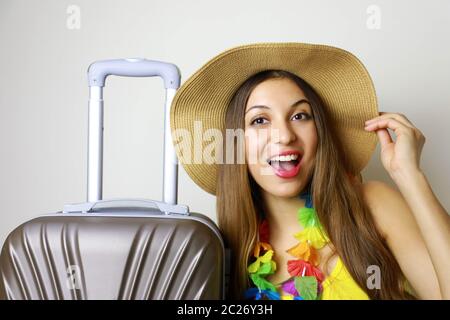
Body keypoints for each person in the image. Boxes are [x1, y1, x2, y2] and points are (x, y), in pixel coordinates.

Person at [170, 43, 450, 300]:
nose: (284, 135)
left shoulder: (372, 205)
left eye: (299, 116)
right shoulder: (225, 251)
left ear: (320, 132)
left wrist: (409, 175)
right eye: (259, 120)